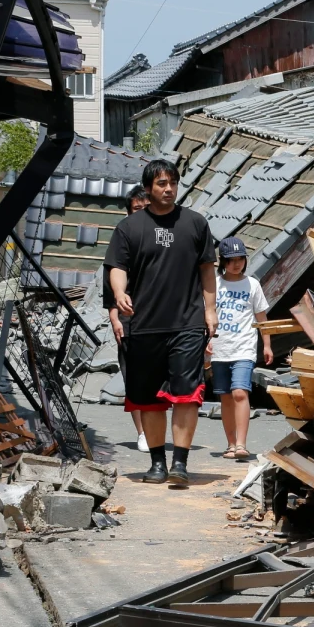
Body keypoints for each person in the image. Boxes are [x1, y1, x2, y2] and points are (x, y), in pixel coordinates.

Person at [105, 159, 217, 485]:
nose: (168, 189)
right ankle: (157, 463)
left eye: (172, 183)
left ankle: (180, 463)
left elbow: (207, 269)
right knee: (148, 398)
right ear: (148, 188)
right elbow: (116, 266)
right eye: (161, 184)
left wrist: (210, 311)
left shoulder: (195, 223)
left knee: (186, 393)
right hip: (143, 325)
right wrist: (119, 292)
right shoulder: (129, 227)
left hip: (187, 322)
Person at [208, 236, 271, 460]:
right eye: (231, 259)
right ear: (222, 261)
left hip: (244, 347)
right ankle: (231, 443)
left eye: (240, 259)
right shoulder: (214, 284)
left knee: (239, 393)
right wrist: (205, 340)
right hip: (219, 348)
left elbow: (262, 318)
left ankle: (242, 444)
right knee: (225, 397)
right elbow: (205, 315)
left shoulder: (252, 284)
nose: (236, 264)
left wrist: (267, 345)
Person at [102, 185, 150, 451]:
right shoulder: (121, 239)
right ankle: (142, 432)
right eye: (136, 209)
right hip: (129, 319)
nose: (141, 213)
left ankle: (155, 429)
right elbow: (109, 287)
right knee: (133, 377)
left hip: (157, 318)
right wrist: (115, 318)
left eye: (145, 208)